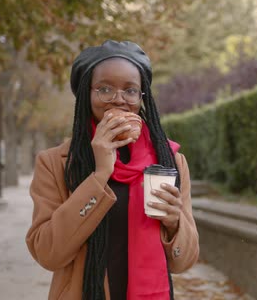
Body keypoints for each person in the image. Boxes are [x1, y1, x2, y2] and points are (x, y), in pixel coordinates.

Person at [26, 40, 199, 300]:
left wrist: (175, 225)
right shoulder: (55, 162)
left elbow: (183, 262)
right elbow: (48, 254)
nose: (118, 100)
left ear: (142, 99)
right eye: (105, 89)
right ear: (87, 94)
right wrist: (100, 175)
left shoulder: (170, 162)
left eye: (130, 91)